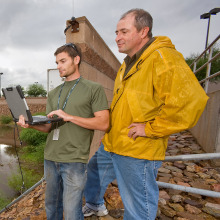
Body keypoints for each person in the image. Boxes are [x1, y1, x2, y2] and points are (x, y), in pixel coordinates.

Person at [82, 8, 209, 220]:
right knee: (94, 171)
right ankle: (94, 204)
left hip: (137, 149)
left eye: (123, 31)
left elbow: (190, 101)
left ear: (143, 31)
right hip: (114, 142)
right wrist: (110, 132)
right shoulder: (129, 63)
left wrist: (150, 129)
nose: (117, 38)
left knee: (137, 206)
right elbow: (125, 104)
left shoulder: (162, 57)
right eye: (116, 32)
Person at [17, 43, 109, 220]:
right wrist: (31, 124)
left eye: (63, 61)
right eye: (57, 62)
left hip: (74, 160)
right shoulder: (53, 93)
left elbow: (104, 123)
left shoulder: (93, 88)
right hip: (50, 158)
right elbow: (49, 127)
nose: (58, 66)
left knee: (72, 212)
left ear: (76, 60)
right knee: (52, 207)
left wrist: (69, 117)